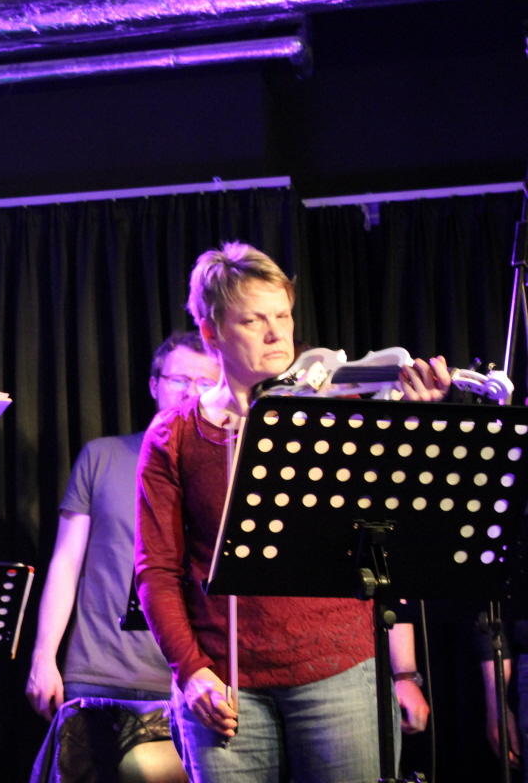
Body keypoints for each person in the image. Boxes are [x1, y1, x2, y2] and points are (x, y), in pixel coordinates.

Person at [135, 242, 442, 782]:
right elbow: (156, 569)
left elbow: (392, 528)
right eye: (254, 321)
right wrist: (192, 671)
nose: (277, 334)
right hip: (225, 683)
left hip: (338, 671)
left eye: (283, 316)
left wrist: (415, 430)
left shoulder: (335, 410)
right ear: (211, 332)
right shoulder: (175, 434)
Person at [25, 332, 218, 778]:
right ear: (154, 384)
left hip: (187, 681)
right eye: (180, 379)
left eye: (206, 383)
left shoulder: (222, 467)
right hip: (97, 673)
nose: (191, 392)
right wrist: (43, 656)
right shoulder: (103, 456)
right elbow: (66, 563)